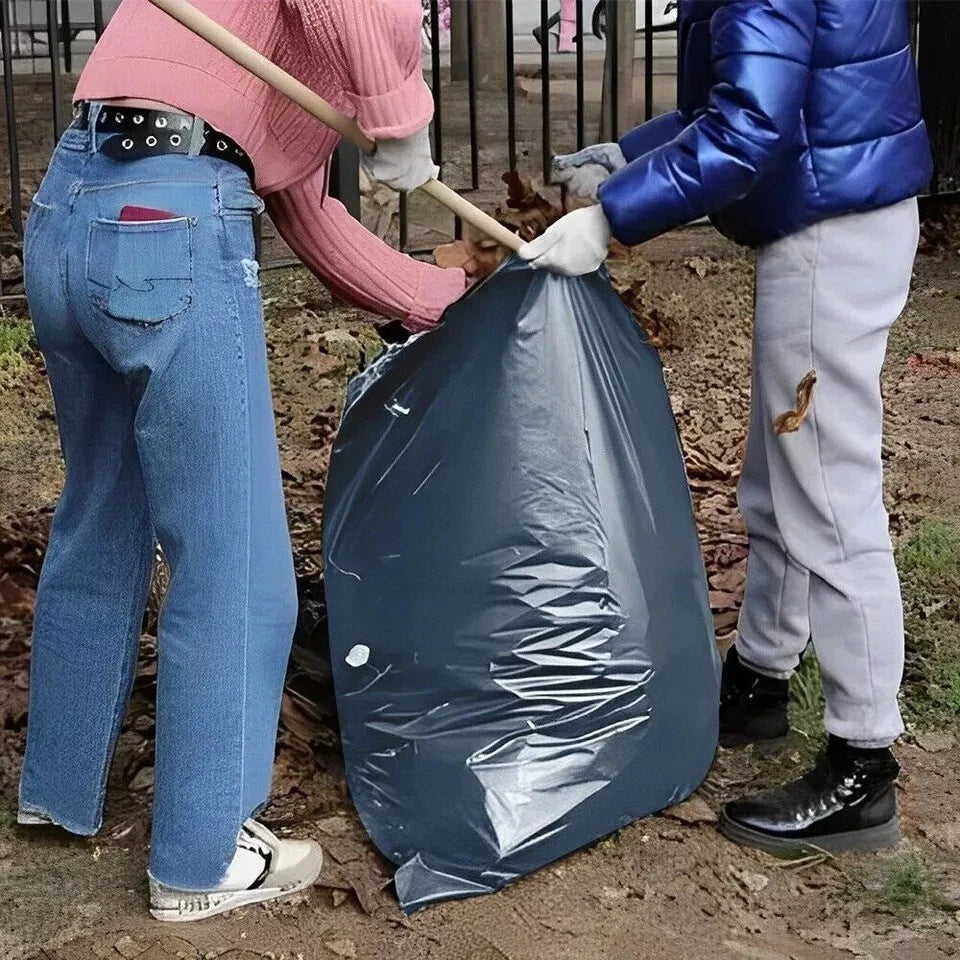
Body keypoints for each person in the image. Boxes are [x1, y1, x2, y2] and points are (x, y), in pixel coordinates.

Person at [18, 0, 464, 922]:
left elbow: (312, 219)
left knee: (101, 513)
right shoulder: (341, 27)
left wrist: (454, 300)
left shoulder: (244, 45)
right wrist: (400, 113)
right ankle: (203, 855)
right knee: (235, 558)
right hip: (169, 225)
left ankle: (57, 790)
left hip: (69, 213)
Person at [523, 0, 932, 854]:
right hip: (833, 211)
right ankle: (758, 680)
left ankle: (864, 764)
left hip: (830, 224)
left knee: (828, 500)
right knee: (780, 480)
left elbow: (750, 126)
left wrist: (611, 216)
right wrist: (631, 155)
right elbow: (763, 87)